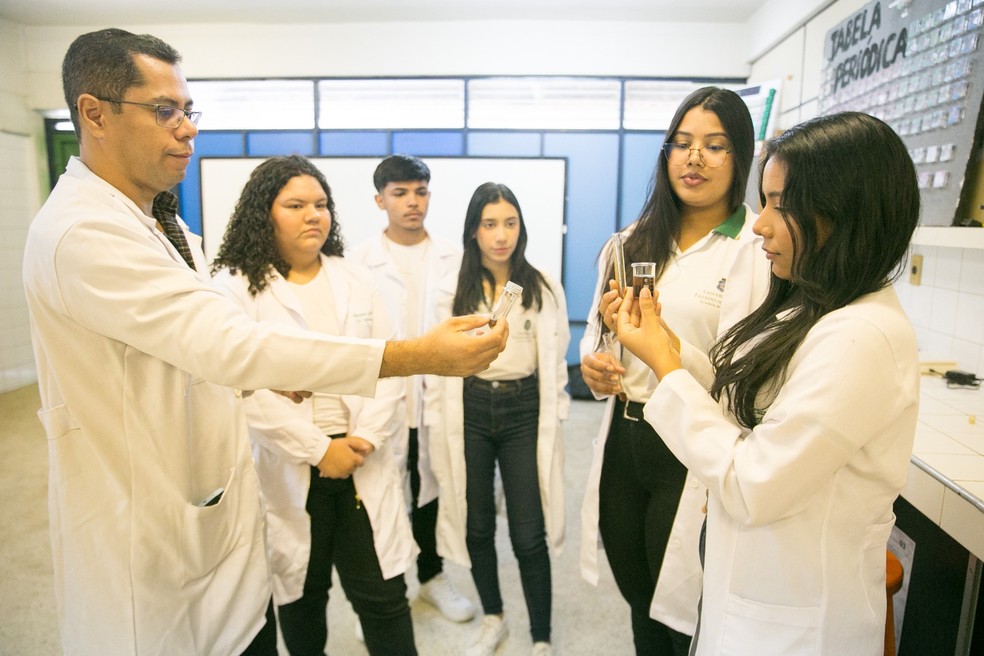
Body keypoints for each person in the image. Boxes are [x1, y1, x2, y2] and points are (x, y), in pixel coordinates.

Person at [22, 29, 505, 656]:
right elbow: (226, 344)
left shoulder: (160, 224)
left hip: (238, 506)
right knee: (289, 610)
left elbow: (210, 351)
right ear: (94, 114)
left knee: (365, 600)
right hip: (154, 540)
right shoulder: (83, 233)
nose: (187, 128)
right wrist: (418, 356)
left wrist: (266, 375)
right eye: (164, 110)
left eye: (188, 111)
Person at [615, 111, 920, 655]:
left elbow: (754, 483)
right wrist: (667, 345)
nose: (762, 224)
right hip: (751, 597)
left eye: (781, 204)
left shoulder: (862, 337)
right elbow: (741, 398)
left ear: (842, 211)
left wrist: (665, 369)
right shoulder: (814, 307)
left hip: (798, 627)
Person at [211, 155, 418, 655]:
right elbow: (241, 391)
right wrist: (318, 450)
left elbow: (388, 363)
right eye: (296, 205)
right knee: (302, 599)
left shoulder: (355, 278)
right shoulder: (234, 286)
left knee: (384, 597)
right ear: (265, 213)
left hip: (360, 458)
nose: (314, 215)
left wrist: (363, 438)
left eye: (322, 204)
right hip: (291, 467)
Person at [578, 86, 757, 655]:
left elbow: (749, 376)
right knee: (636, 586)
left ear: (741, 157)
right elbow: (599, 330)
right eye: (681, 143)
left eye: (714, 145)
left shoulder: (755, 250)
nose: (694, 158)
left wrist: (668, 352)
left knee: (681, 602)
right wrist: (595, 364)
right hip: (627, 435)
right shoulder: (629, 242)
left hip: (691, 447)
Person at [425, 183, 570, 656]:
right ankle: (494, 618)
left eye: (510, 223)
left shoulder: (541, 284)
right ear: (473, 231)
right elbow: (436, 360)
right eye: (490, 224)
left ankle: (542, 637)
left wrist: (558, 411)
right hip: (469, 409)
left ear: (521, 228)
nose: (501, 235)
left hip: (524, 409)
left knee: (529, 531)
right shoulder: (453, 288)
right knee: (476, 523)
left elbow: (556, 357)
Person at [350, 154, 476, 624]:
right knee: (380, 494)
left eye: (420, 192)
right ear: (380, 200)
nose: (412, 203)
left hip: (435, 398)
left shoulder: (454, 257)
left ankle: (430, 576)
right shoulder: (357, 262)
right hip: (379, 400)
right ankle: (384, 596)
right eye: (400, 193)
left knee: (431, 486)